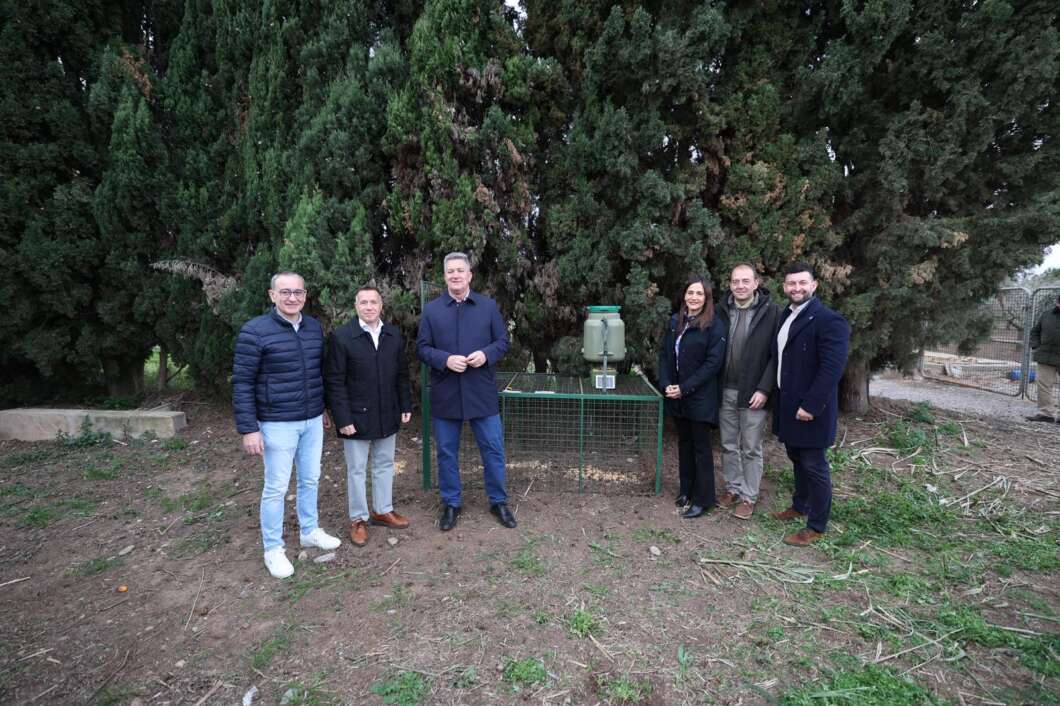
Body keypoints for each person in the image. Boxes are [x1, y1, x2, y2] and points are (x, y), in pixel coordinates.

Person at [232, 272, 341, 579]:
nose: (292, 297)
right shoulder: (255, 331)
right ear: (272, 295)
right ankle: (273, 549)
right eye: (285, 292)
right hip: (276, 423)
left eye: (298, 292)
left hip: (312, 421)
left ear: (305, 295)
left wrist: (322, 409)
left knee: (310, 479)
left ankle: (309, 530)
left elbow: (317, 373)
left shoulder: (312, 327)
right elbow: (242, 382)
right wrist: (249, 428)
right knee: (276, 488)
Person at [416, 252, 516, 531]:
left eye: (461, 270)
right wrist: (445, 359)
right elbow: (422, 348)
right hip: (446, 392)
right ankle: (451, 503)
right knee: (446, 452)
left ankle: (498, 501)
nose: (456, 275)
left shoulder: (488, 307)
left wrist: (486, 354)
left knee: (493, 449)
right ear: (445, 276)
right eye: (450, 271)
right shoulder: (432, 310)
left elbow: (503, 342)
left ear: (470, 275)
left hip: (481, 392)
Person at [324, 285, 413, 548]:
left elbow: (401, 374)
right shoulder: (342, 337)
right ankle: (358, 519)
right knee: (357, 470)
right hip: (355, 417)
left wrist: (405, 404)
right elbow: (334, 381)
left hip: (387, 412)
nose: (369, 307)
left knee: (385, 463)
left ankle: (382, 510)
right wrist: (343, 418)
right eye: (363, 302)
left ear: (381, 306)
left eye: (374, 302)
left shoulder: (393, 335)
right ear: (356, 306)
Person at [771, 261, 850, 547]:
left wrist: (811, 405)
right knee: (796, 458)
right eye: (791, 283)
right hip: (788, 405)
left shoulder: (829, 320)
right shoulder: (786, 315)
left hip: (810, 410)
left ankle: (816, 525)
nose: (797, 288)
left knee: (814, 465)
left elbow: (832, 368)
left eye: (802, 283)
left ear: (814, 285)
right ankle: (800, 505)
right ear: (784, 287)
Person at [658, 275, 727, 519]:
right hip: (677, 396)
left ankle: (703, 499)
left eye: (699, 293)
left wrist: (685, 387)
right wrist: (666, 383)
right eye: (690, 292)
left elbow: (713, 364)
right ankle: (685, 490)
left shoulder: (715, 325)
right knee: (684, 444)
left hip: (699, 397)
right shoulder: (675, 321)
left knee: (701, 449)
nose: (694, 297)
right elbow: (665, 355)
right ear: (684, 295)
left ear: (707, 298)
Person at [716, 264, 780, 520]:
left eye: (745, 281)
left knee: (751, 446)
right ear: (730, 284)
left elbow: (776, 356)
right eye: (735, 281)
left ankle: (748, 496)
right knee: (728, 444)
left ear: (756, 283)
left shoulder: (771, 312)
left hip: (754, 392)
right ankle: (732, 488)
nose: (740, 286)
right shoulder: (722, 310)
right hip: (725, 389)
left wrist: (764, 388)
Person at [1027, 294, 1060, 423]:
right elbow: (1035, 331)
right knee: (1043, 385)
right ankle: (1046, 414)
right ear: (1057, 302)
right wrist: (1035, 345)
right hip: (1045, 356)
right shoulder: (1046, 315)